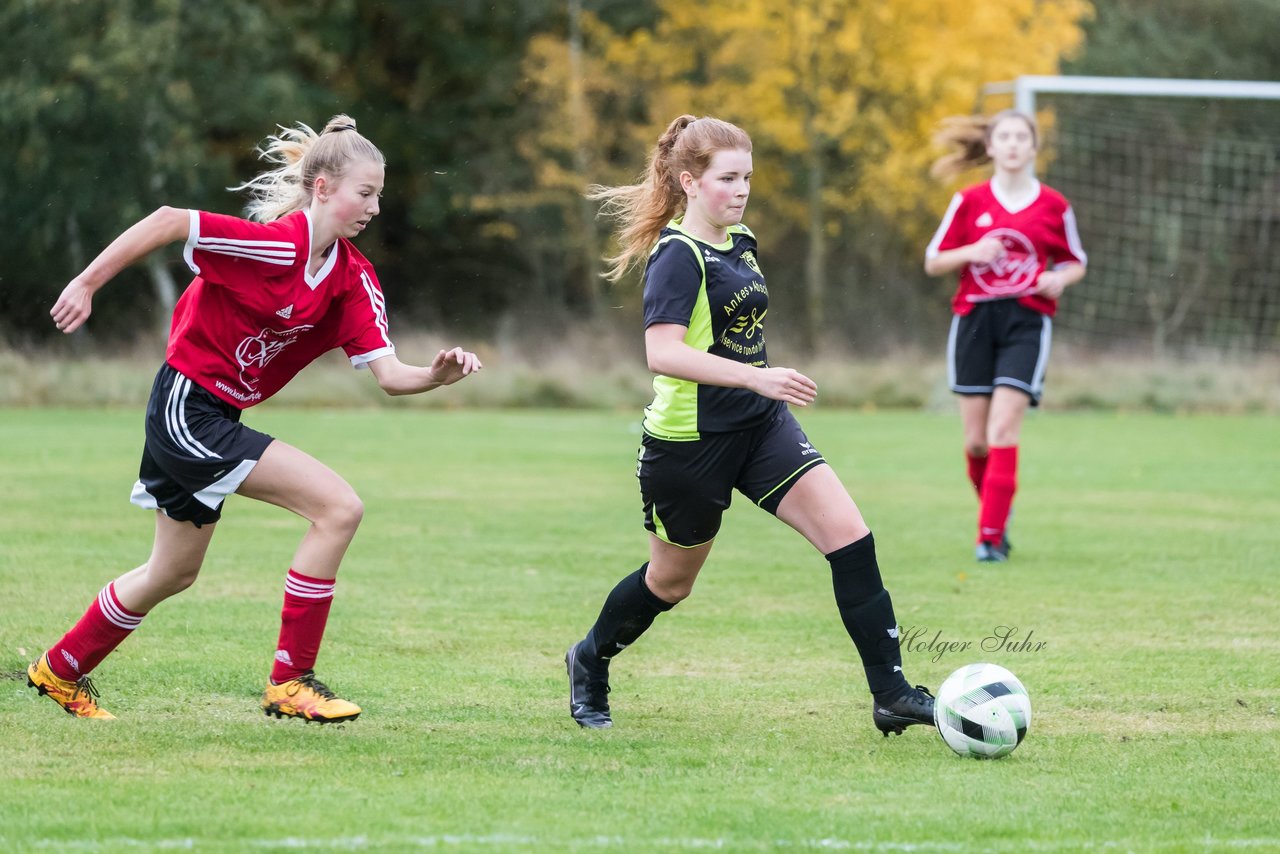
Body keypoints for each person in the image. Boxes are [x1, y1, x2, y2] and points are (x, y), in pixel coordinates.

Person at [29, 115, 482, 722]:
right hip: (187, 406)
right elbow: (168, 220)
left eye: (379, 195)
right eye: (365, 193)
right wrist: (85, 284)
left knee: (172, 573)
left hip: (214, 412)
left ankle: (58, 671)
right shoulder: (273, 244)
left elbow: (391, 374)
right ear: (323, 188)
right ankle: (290, 682)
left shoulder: (353, 278)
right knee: (338, 508)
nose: (375, 207)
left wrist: (434, 375)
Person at [563, 115, 935, 736]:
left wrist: (761, 387)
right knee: (671, 582)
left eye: (748, 179)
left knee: (851, 538)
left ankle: (891, 693)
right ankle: (589, 658)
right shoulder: (676, 257)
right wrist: (755, 376)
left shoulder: (742, 241)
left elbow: (732, 333)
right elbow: (664, 353)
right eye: (727, 179)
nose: (741, 191)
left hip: (762, 429)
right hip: (689, 444)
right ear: (689, 182)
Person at [924, 109, 1087, 563]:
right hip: (974, 321)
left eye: (1022, 137)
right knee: (976, 442)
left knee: (1002, 428)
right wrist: (973, 251)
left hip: (1027, 323)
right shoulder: (969, 201)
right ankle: (998, 512)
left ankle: (990, 538)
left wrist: (1060, 279)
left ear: (1033, 148)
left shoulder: (1054, 205)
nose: (1014, 145)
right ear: (991, 147)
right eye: (1005, 137)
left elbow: (1075, 261)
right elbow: (934, 260)